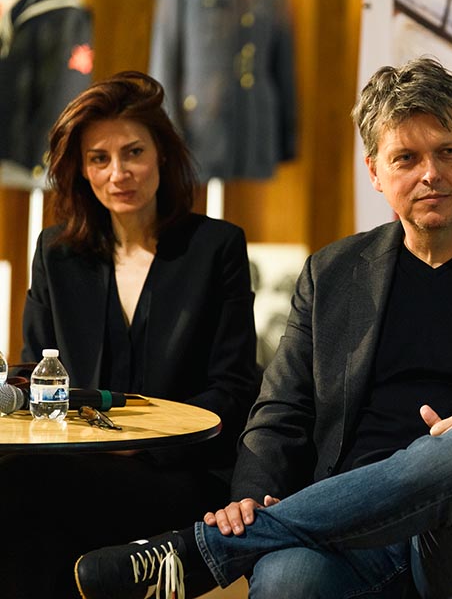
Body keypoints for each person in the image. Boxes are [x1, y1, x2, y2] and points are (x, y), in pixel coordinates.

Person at [73, 57, 452, 599]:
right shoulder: (333, 273)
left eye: (448, 151)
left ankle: (199, 554)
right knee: (287, 580)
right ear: (374, 171)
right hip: (350, 531)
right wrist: (251, 497)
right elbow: (280, 413)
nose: (431, 174)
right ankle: (238, 542)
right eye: (406, 158)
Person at [0, 71, 260, 598]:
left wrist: (136, 445)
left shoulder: (216, 247)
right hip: (74, 465)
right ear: (82, 169)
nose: (118, 173)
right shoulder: (56, 253)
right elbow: (35, 380)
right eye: (99, 158)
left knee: (22, 490)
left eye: (133, 152)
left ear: (162, 154)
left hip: (182, 472)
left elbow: (233, 388)